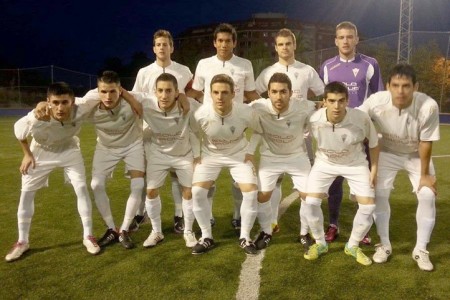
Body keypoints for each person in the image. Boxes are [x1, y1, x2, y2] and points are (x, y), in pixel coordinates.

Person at [5, 82, 100, 262]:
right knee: (26, 194)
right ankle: (22, 241)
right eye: (55, 102)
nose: (60, 107)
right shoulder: (38, 115)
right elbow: (19, 131)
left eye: (64, 102)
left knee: (81, 188)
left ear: (72, 101)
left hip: (69, 149)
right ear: (48, 101)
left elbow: (104, 90)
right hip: (41, 151)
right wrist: (27, 154)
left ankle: (88, 236)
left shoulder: (82, 105)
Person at [358, 63, 439, 271]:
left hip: (415, 153)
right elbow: (356, 118)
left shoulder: (428, 106)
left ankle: (421, 249)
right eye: (395, 85)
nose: (400, 91)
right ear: (388, 86)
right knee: (379, 194)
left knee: (428, 195)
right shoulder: (376, 101)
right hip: (387, 152)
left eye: (406, 86)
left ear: (416, 87)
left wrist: (424, 175)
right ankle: (384, 245)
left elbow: (426, 142)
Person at [187, 23, 260, 233]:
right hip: (209, 126)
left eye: (228, 41)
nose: (224, 44)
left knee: (241, 181)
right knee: (206, 179)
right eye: (220, 40)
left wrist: (269, 106)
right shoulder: (204, 64)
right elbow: (196, 92)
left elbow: (251, 94)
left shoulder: (245, 64)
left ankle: (238, 215)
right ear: (214, 42)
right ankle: (208, 216)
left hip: (236, 123)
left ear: (234, 43)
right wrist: (178, 100)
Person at [319, 21, 384, 244]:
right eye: (341, 37)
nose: (346, 41)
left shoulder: (370, 64)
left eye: (350, 37)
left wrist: (372, 128)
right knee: (335, 182)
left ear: (356, 39)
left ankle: (362, 230)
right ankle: (333, 224)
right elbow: (323, 100)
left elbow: (378, 99)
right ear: (335, 40)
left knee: (363, 183)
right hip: (335, 135)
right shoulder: (327, 66)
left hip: (362, 134)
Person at [255, 28, 324, 233]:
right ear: (275, 47)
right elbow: (254, 95)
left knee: (306, 186)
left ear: (294, 45)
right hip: (275, 136)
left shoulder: (307, 70)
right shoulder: (267, 72)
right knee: (273, 182)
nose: (285, 47)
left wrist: (312, 110)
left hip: (301, 136)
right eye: (281, 44)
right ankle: (272, 221)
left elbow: (323, 95)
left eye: (288, 43)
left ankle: (307, 228)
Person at [303, 81, 379, 266]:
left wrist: (374, 170)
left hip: (355, 164)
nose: (336, 106)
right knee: (310, 202)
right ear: (324, 101)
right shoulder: (313, 119)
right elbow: (297, 136)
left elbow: (374, 144)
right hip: (325, 163)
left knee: (368, 206)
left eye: (341, 101)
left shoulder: (360, 118)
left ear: (347, 101)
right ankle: (320, 243)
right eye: (332, 101)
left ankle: (352, 245)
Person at [190, 74, 262, 255]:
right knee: (197, 192)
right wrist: (197, 154)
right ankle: (206, 237)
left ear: (233, 94)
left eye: (224, 93)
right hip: (210, 155)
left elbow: (259, 130)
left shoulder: (245, 112)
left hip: (238, 155)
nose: (220, 97)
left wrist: (250, 151)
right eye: (215, 92)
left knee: (251, 192)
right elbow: (192, 132)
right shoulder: (201, 114)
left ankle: (245, 237)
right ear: (210, 93)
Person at [132, 29, 194, 234]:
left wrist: (184, 94)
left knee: (177, 175)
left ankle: (178, 215)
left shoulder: (183, 70)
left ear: (172, 47)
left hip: (176, 129)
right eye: (158, 44)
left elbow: (193, 91)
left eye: (165, 44)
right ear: (153, 48)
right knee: (149, 176)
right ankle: (142, 213)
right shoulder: (144, 72)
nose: (162, 48)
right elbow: (137, 99)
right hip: (150, 131)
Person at [248, 73, 316, 251]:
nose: (279, 96)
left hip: (297, 156)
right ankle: (266, 231)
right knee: (262, 196)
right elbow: (236, 111)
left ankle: (304, 232)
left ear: (291, 92)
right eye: (274, 92)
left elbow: (325, 107)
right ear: (268, 93)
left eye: (283, 92)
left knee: (308, 196)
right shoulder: (258, 107)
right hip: (271, 157)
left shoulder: (304, 107)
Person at [140, 73, 201, 248]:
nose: (164, 95)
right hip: (158, 155)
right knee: (151, 191)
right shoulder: (148, 104)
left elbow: (196, 131)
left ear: (176, 92)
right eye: (160, 90)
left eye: (169, 91)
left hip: (183, 156)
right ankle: (156, 231)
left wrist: (197, 157)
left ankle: (188, 231)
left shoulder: (189, 107)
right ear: (155, 91)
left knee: (188, 192)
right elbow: (124, 95)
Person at [87, 71, 145, 250]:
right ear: (98, 90)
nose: (108, 96)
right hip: (105, 148)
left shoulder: (135, 98)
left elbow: (160, 96)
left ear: (120, 90)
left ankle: (125, 229)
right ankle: (112, 228)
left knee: (138, 185)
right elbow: (68, 104)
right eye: (103, 91)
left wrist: (181, 96)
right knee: (96, 185)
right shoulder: (89, 100)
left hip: (133, 145)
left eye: (112, 91)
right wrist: (43, 104)